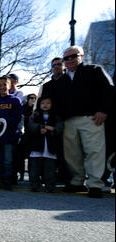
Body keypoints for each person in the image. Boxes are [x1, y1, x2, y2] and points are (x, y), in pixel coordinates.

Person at [46, 45, 113, 198]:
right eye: (66, 58)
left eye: (73, 56)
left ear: (81, 56)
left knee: (94, 151)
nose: (69, 60)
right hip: (68, 121)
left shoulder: (94, 70)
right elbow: (54, 101)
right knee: (72, 154)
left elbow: (108, 89)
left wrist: (103, 110)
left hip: (91, 118)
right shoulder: (62, 80)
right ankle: (77, 181)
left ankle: (95, 184)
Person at [0, 76, 22, 190]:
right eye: (0, 85)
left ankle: (7, 181)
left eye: (5, 84)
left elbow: (17, 118)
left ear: (10, 85)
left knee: (8, 160)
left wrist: (5, 121)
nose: (2, 87)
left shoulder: (15, 100)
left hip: (9, 136)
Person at [40, 57, 70, 185]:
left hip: (68, 119)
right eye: (54, 65)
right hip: (52, 121)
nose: (56, 67)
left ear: (64, 66)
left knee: (68, 150)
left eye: (59, 64)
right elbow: (41, 102)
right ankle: (53, 176)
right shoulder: (47, 86)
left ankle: (68, 176)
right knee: (53, 148)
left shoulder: (70, 81)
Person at [27, 96, 64, 192]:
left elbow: (59, 128)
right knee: (35, 168)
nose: (45, 105)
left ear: (52, 105)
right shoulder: (34, 116)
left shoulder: (56, 116)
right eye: (43, 103)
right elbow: (31, 126)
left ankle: (50, 186)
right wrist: (41, 127)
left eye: (48, 103)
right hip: (36, 145)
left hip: (51, 146)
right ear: (39, 105)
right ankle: (34, 185)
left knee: (50, 169)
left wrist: (53, 129)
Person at [15, 93, 37, 181]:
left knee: (32, 157)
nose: (33, 100)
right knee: (20, 157)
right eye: (31, 98)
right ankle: (21, 174)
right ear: (27, 99)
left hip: (33, 136)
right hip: (24, 135)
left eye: (35, 98)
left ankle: (33, 176)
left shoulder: (37, 110)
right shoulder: (23, 109)